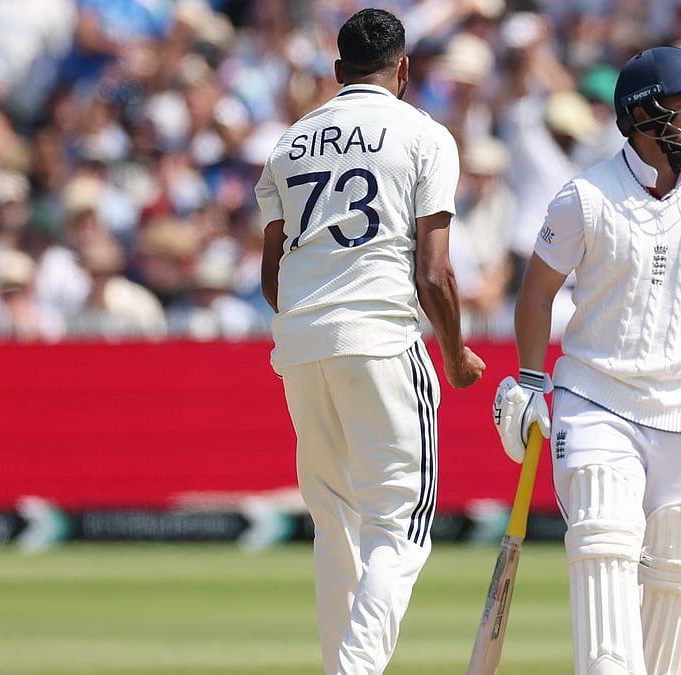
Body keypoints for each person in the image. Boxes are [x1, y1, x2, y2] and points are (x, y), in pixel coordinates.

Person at [492, 46, 681, 675]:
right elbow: (536, 294)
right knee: (604, 539)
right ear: (643, 118)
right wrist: (527, 381)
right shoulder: (584, 197)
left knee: (675, 573)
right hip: (595, 399)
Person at [253, 9, 486, 674]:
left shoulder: (289, 143)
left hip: (300, 342)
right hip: (382, 337)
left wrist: (313, 320)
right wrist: (455, 352)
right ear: (405, 70)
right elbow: (434, 270)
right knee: (400, 531)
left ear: (336, 71)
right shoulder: (424, 135)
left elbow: (274, 273)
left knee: (336, 525)